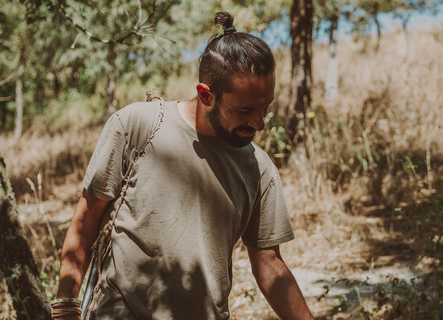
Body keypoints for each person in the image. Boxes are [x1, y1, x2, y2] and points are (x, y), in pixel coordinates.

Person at [53, 12, 314, 320]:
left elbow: (268, 262)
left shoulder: (259, 168)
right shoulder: (138, 125)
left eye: (264, 108)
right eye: (245, 110)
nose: (258, 123)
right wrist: (65, 308)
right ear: (205, 94)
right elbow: (87, 216)